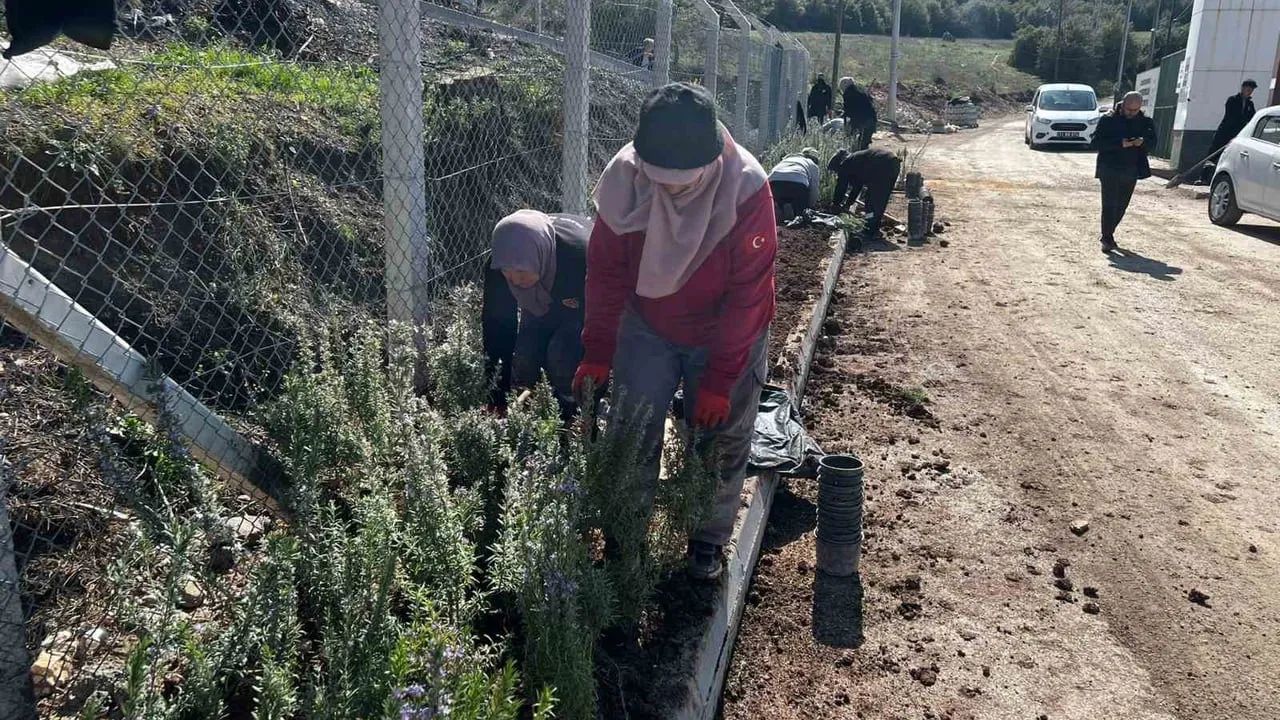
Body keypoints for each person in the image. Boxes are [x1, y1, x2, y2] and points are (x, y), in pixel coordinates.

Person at [574, 83, 776, 582]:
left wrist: (719, 381)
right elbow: (605, 273)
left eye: (682, 186)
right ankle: (625, 538)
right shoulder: (624, 179)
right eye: (658, 182)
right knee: (631, 429)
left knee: (720, 439)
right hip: (648, 324)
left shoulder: (746, 189)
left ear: (712, 161)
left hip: (725, 331)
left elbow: (747, 296)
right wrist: (598, 350)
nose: (668, 194)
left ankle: (707, 539)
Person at [482, 209, 591, 415]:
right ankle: (539, 399)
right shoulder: (500, 265)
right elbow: (497, 329)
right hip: (542, 289)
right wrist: (496, 397)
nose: (515, 280)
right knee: (525, 362)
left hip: (579, 295)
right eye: (508, 273)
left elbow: (602, 319)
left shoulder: (581, 259)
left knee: (563, 356)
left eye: (521, 271)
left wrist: (597, 366)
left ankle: (572, 408)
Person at [1093, 91, 1157, 254]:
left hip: (1132, 169)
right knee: (1109, 204)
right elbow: (1096, 142)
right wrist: (1120, 143)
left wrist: (1142, 142)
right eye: (1128, 109)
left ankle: (1108, 233)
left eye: (1135, 110)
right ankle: (1107, 238)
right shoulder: (1108, 120)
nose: (1131, 113)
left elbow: (1153, 143)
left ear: (1140, 107)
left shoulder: (1146, 122)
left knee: (1121, 206)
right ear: (1122, 104)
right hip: (1109, 167)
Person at [828, 147, 902, 241]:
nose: (838, 174)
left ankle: (869, 230)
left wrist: (836, 203)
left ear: (838, 165)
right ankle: (874, 229)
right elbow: (857, 187)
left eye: (836, 171)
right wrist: (848, 204)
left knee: (871, 201)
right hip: (893, 163)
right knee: (881, 199)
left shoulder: (846, 164)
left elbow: (841, 187)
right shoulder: (855, 159)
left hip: (881, 165)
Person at [768, 147, 821, 223]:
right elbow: (814, 189)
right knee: (800, 210)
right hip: (797, 184)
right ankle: (794, 212)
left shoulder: (786, 160)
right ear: (814, 159)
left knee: (779, 201)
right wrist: (810, 206)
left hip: (774, 184)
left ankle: (781, 209)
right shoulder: (812, 164)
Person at [1211, 79, 1257, 154]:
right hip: (1226, 131)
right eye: (1248, 90)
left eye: (1251, 91)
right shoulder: (1232, 100)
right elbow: (1231, 116)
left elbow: (1252, 117)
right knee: (1216, 151)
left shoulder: (1250, 104)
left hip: (1238, 133)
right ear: (1243, 88)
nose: (1249, 93)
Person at [839, 76, 877, 150]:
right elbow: (869, 101)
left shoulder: (848, 94)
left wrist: (846, 124)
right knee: (864, 144)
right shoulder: (859, 90)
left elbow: (848, 110)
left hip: (862, 121)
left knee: (857, 145)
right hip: (871, 120)